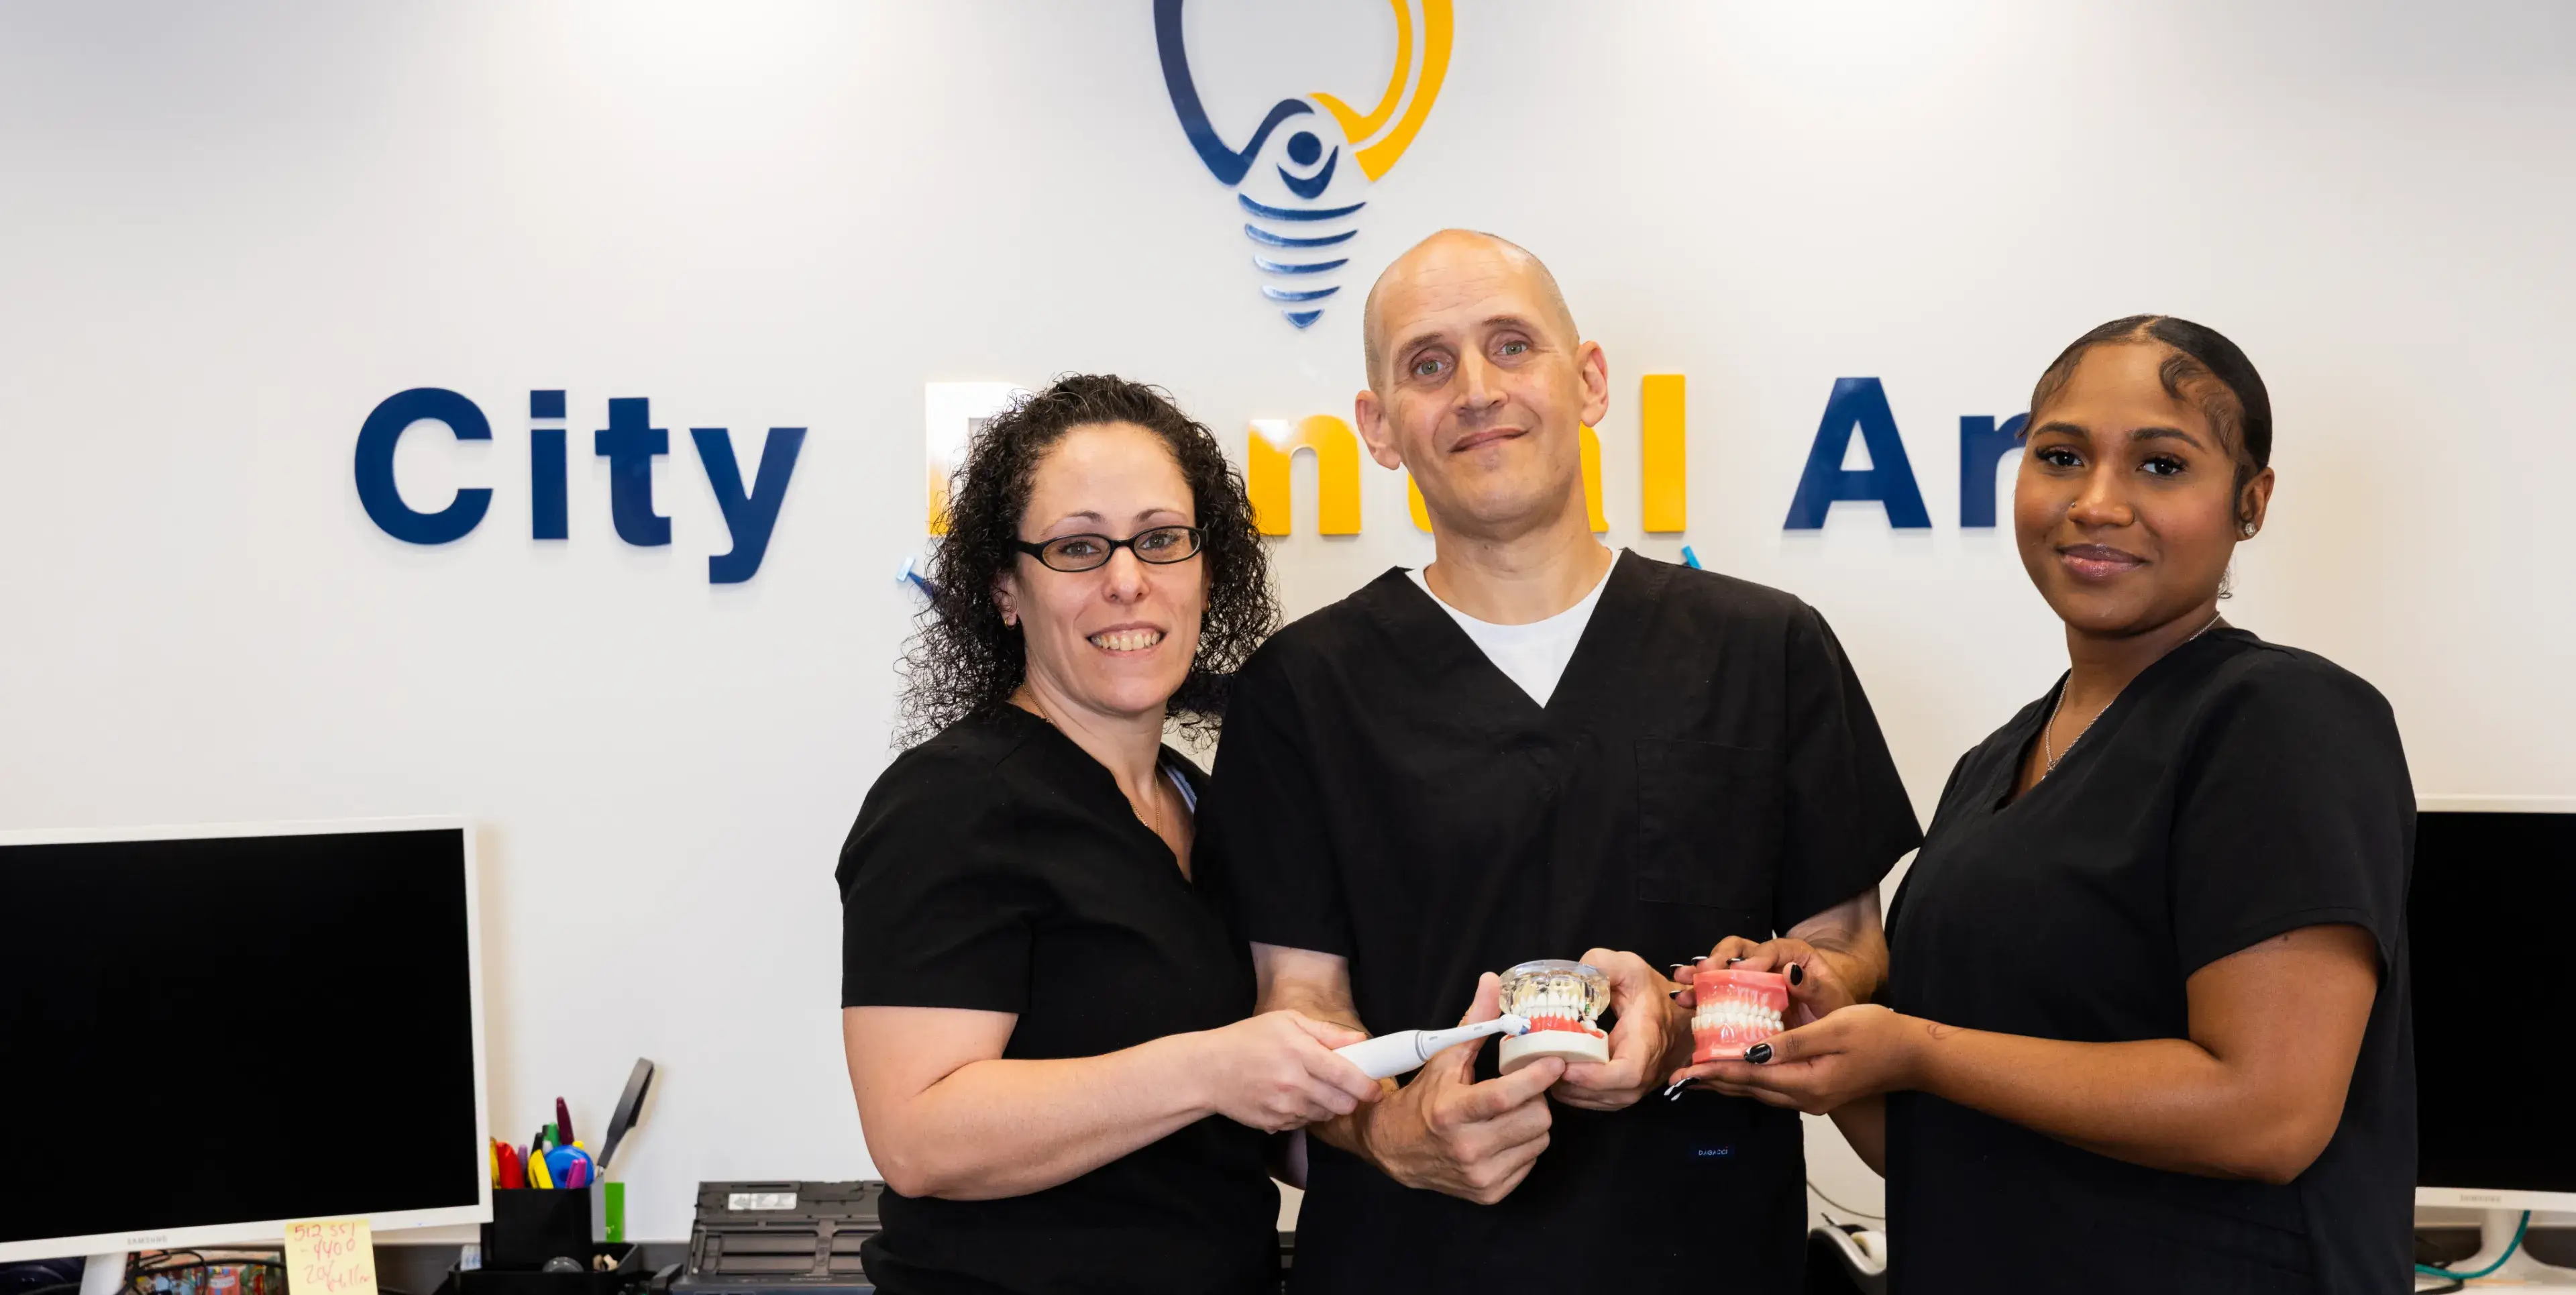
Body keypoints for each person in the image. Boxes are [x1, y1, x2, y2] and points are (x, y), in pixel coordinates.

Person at [1199, 230, 1924, 1292]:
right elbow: (1297, 999)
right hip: (1409, 1261)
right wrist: (1392, 1125)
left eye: (1511, 345)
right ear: (1380, 427)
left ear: (1587, 382)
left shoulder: (1767, 649)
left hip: (1706, 1250)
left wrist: (1690, 1023)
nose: (1477, 390)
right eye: (1429, 363)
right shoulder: (1300, 689)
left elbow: (1848, 948)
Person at [1685, 317, 2416, 1293]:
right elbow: (1933, 1151)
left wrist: (1916, 1049)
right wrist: (1820, 1029)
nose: (2098, 503)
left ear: (2251, 502)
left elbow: (2267, 1112)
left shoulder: (2283, 719)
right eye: (2061, 456)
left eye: (2162, 465)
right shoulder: (1995, 765)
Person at [836, 375, 1383, 1295]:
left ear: (1209, 570)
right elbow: (917, 1136)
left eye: (1162, 540)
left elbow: (1250, 1123)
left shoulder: (1208, 803)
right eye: (1079, 547)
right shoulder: (949, 803)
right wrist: (1210, 1069)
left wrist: (1399, 1111)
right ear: (1007, 587)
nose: (1128, 580)